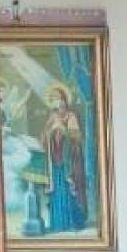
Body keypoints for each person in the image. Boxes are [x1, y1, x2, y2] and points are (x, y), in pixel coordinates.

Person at [42, 83, 87, 232]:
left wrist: (63, 130)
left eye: (59, 98)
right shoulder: (52, 117)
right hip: (55, 160)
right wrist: (51, 133)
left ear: (64, 100)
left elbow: (77, 137)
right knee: (57, 191)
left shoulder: (71, 116)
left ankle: (72, 223)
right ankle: (58, 224)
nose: (57, 102)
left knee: (69, 191)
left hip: (68, 161)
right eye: (54, 99)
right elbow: (44, 137)